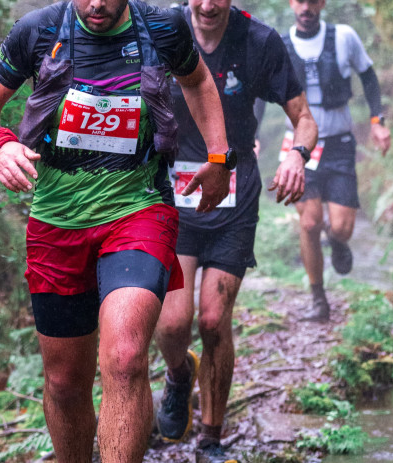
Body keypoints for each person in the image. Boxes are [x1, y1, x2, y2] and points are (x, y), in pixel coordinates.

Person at [0, 1, 232, 461]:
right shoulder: (39, 31)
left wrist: (219, 157)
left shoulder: (162, 28)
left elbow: (198, 80)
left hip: (139, 208)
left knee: (125, 359)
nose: (97, 5)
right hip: (57, 220)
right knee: (66, 384)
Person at [153, 0, 318, 461]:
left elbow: (304, 118)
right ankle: (178, 374)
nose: (208, 5)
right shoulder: (163, 28)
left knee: (212, 319)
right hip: (175, 193)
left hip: (234, 192)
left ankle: (210, 436)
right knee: (171, 322)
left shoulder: (259, 41)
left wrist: (295, 156)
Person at [284, 0, 391, 321]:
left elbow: (369, 77)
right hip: (301, 148)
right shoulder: (281, 45)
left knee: (342, 227)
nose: (306, 8)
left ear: (322, 4)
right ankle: (318, 299)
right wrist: (254, 137)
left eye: (312, 1)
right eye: (300, 1)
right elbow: (263, 94)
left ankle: (338, 242)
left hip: (340, 144)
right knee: (310, 222)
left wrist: (377, 121)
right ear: (292, 3)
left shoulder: (343, 37)